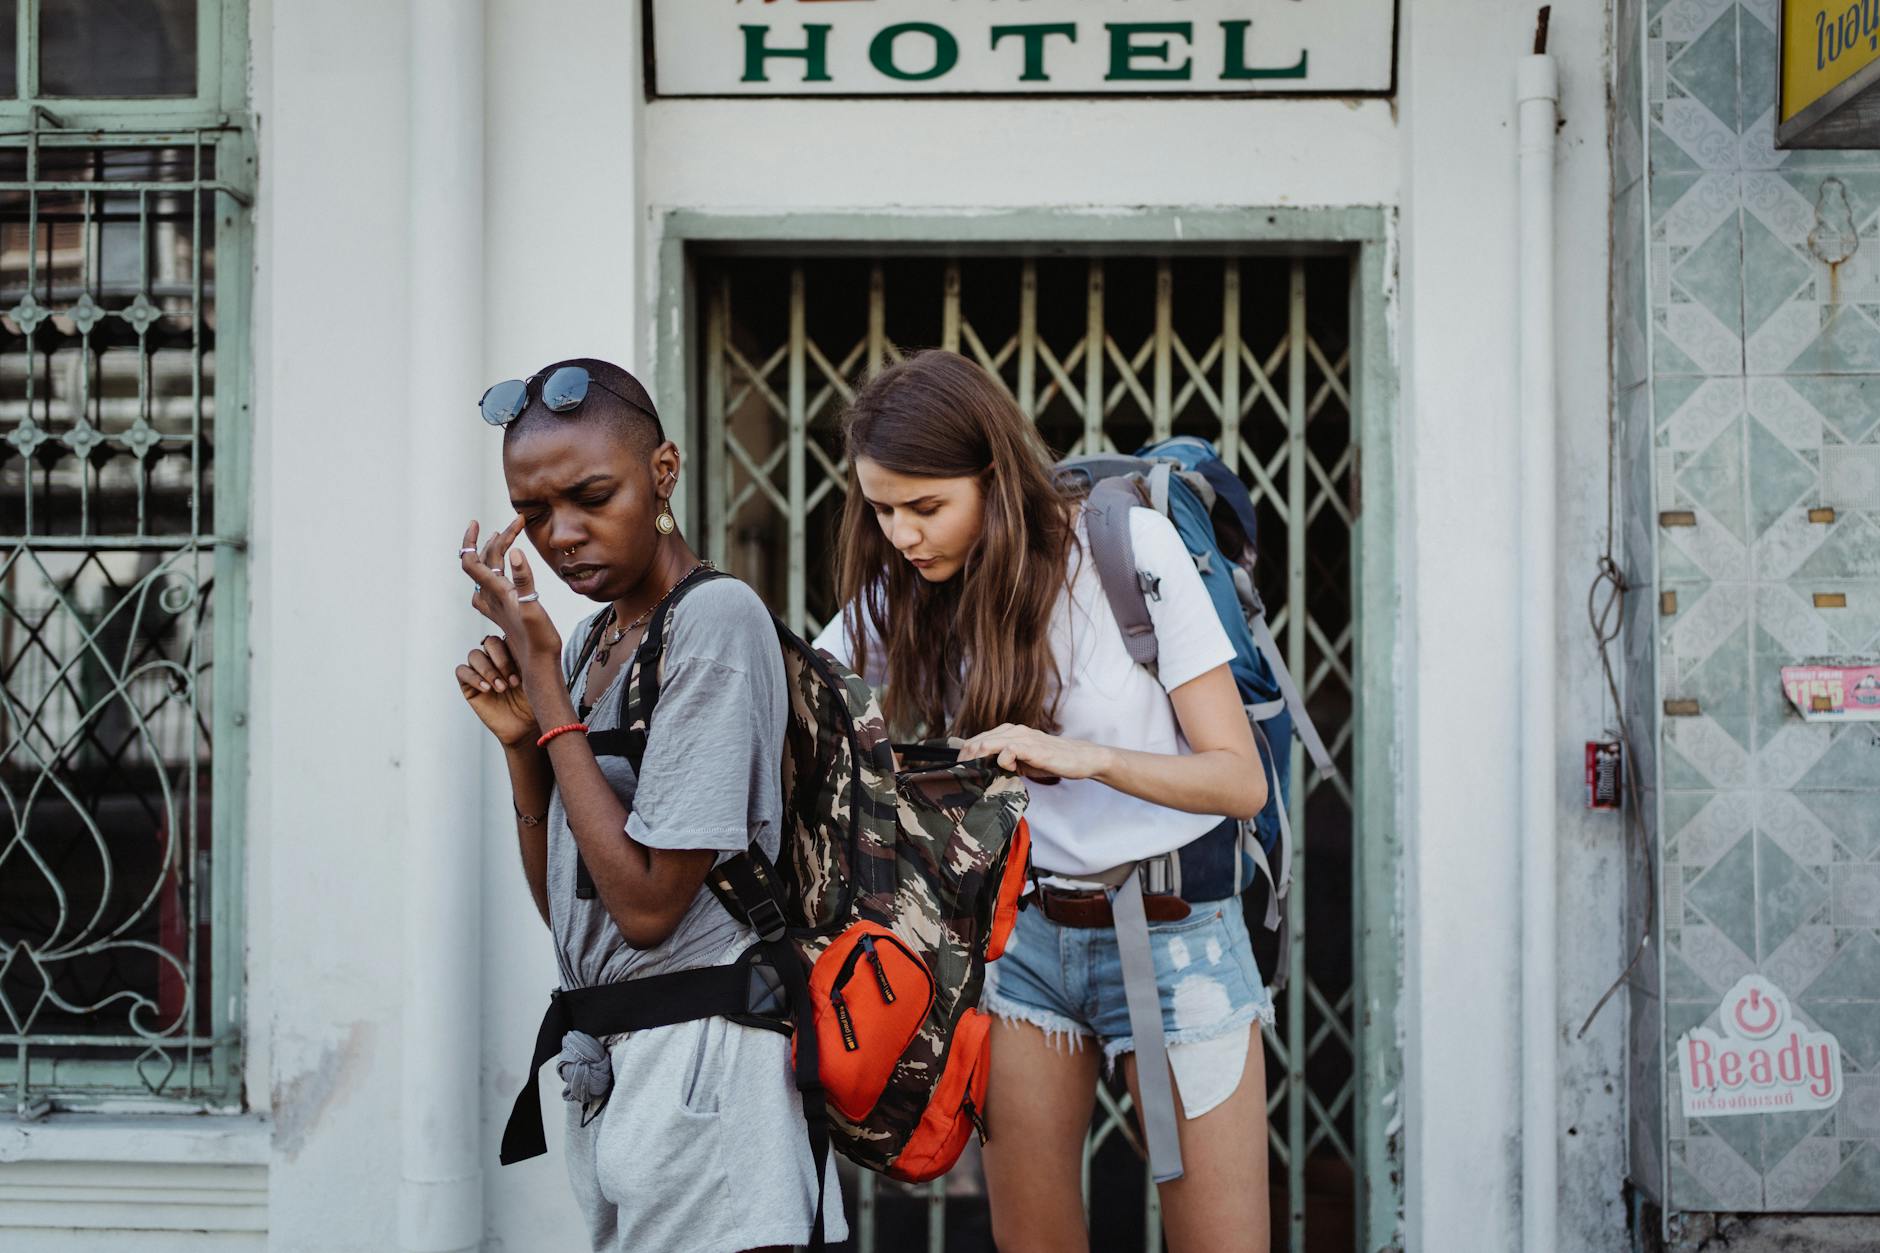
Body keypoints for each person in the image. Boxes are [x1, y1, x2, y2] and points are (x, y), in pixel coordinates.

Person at [814, 350, 1273, 1253]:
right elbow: (798, 693)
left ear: (993, 474)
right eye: (881, 508)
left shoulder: (1125, 550)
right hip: (1020, 942)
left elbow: (1238, 778)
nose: (902, 534)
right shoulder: (906, 587)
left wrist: (1087, 757)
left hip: (1177, 931)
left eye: (926, 506)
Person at [456, 358, 844, 1253]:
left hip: (705, 1071)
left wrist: (547, 691)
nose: (563, 535)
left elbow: (645, 908)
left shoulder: (714, 622)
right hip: (619, 1068)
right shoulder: (598, 638)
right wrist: (525, 744)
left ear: (662, 473)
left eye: (592, 495)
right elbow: (569, 907)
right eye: (536, 511)